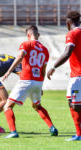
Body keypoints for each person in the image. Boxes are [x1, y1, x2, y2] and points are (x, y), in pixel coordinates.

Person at [1, 25, 58, 138]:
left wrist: (9, 71)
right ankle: (52, 127)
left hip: (26, 80)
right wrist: (40, 86)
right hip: (38, 82)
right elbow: (43, 70)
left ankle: (13, 132)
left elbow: (20, 57)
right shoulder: (45, 50)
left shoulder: (26, 44)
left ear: (28, 35)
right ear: (38, 35)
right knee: (37, 106)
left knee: (7, 106)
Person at [47, 11, 81, 141]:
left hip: (78, 76)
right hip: (74, 76)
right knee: (71, 101)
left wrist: (53, 67)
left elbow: (67, 52)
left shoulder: (72, 33)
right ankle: (78, 133)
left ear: (68, 23)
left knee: (76, 105)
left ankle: (79, 134)